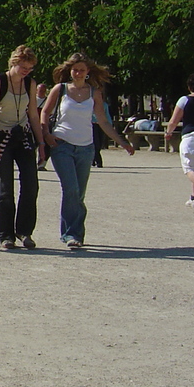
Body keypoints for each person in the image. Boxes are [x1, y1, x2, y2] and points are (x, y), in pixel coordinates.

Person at [41, 52, 135, 249]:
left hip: (86, 148)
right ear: (70, 71)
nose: (78, 73)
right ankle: (70, 234)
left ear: (87, 72)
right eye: (75, 70)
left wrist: (122, 141)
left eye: (81, 70)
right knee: (71, 189)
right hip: (62, 145)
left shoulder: (95, 93)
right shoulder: (60, 90)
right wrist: (46, 135)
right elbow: (45, 112)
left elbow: (102, 121)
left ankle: (77, 233)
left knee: (79, 193)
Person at [0, 45, 46, 250]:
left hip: (23, 136)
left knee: (31, 184)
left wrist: (41, 143)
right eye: (23, 67)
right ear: (14, 62)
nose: (26, 71)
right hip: (2, 136)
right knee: (5, 188)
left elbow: (33, 115)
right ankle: (5, 235)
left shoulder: (30, 83)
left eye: (29, 69)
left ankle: (24, 231)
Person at [163, 73, 194, 207]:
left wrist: (168, 132)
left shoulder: (184, 100)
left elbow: (173, 121)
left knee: (189, 169)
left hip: (191, 137)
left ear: (189, 87)